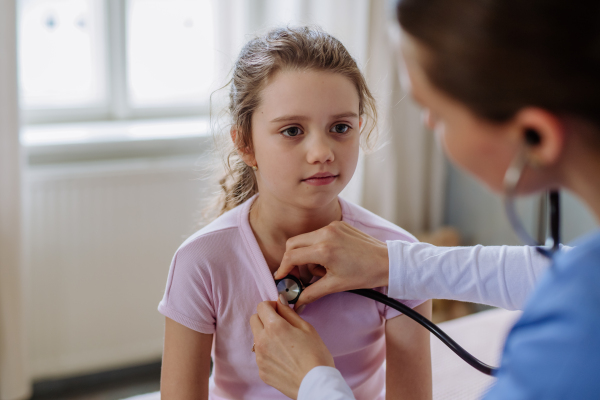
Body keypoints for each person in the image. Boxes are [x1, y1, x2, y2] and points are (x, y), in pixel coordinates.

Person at [250, 0, 600, 399]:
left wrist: (313, 382)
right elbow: (562, 269)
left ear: (536, 136)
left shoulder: (575, 344)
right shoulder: (584, 275)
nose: (430, 125)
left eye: (437, 113)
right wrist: (397, 262)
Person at [158, 26, 433, 400]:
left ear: (360, 128)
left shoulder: (397, 256)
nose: (321, 151)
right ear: (246, 143)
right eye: (291, 130)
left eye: (340, 127)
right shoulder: (202, 262)